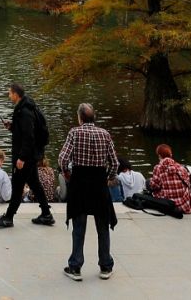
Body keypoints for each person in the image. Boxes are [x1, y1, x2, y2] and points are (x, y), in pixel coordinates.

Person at [57, 103, 119, 282]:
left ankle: (75, 266)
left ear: (80, 117)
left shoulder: (74, 133)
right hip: (99, 182)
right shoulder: (105, 134)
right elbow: (114, 162)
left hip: (80, 183)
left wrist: (66, 173)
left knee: (79, 225)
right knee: (102, 226)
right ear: (94, 117)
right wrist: (109, 177)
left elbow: (63, 158)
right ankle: (105, 265)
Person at [0, 83, 53, 228]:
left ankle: (8, 218)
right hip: (31, 155)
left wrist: (21, 158)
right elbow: (24, 132)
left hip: (25, 156)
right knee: (34, 183)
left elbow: (29, 137)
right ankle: (46, 214)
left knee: (17, 185)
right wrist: (12, 127)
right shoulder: (25, 108)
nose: (9, 96)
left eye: (10, 93)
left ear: (16, 94)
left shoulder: (25, 111)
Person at [147, 144, 191, 215]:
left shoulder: (158, 168)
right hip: (184, 203)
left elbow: (154, 186)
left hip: (168, 203)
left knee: (148, 181)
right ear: (171, 155)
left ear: (159, 156)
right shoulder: (181, 167)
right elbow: (188, 183)